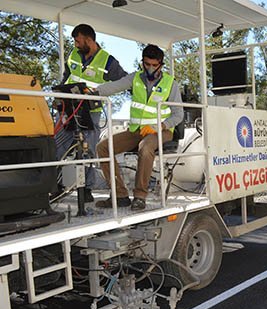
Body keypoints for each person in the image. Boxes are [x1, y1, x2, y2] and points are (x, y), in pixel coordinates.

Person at [95, 44, 183, 211]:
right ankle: (120, 195)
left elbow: (178, 115)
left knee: (145, 147)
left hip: (162, 131)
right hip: (136, 130)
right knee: (103, 147)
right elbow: (114, 86)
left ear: (161, 65)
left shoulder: (171, 84)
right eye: (147, 64)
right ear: (143, 63)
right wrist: (93, 91)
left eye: (154, 65)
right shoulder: (134, 78)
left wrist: (159, 126)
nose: (150, 68)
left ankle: (140, 196)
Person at [55, 24, 127, 202]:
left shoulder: (108, 61)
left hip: (90, 111)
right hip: (69, 107)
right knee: (57, 145)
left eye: (78, 41)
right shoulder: (73, 55)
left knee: (87, 149)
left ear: (89, 40)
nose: (76, 44)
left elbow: (124, 81)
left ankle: (85, 189)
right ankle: (55, 186)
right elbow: (67, 77)